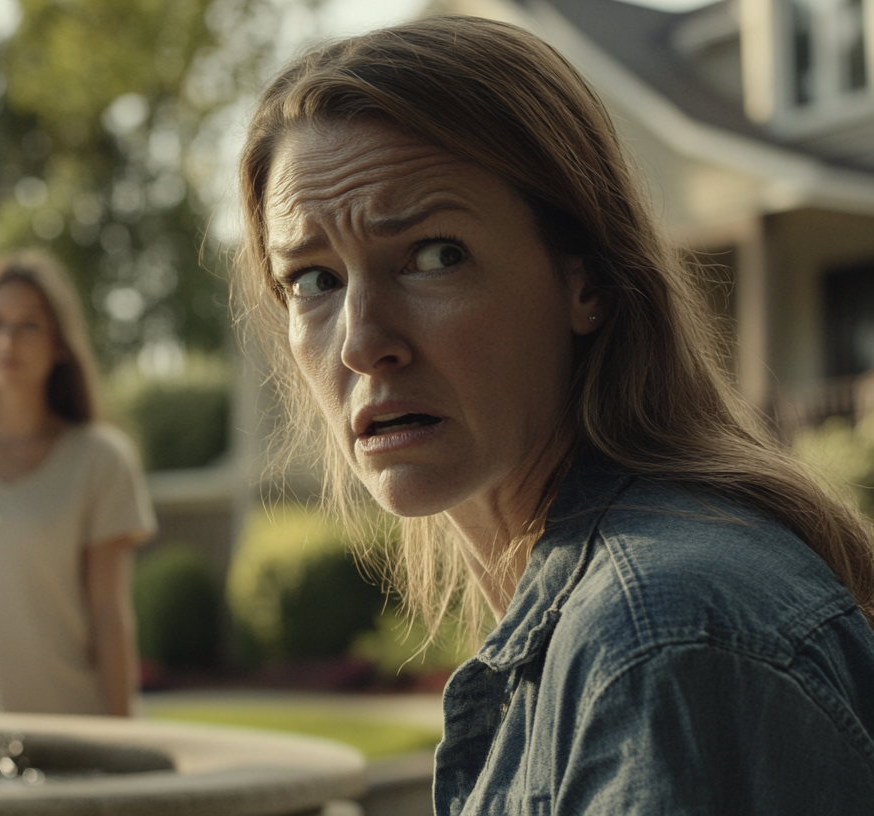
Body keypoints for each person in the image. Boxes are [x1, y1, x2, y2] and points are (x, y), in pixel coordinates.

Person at [235, 16, 874, 814]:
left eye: (436, 256)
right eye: (312, 281)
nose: (363, 343)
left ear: (588, 282)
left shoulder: (660, 639)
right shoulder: (598, 615)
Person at [0, 251, 155, 717]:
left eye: (29, 325)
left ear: (59, 343)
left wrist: (123, 739)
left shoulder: (100, 460)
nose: (8, 340)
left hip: (66, 729)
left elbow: (109, 615)